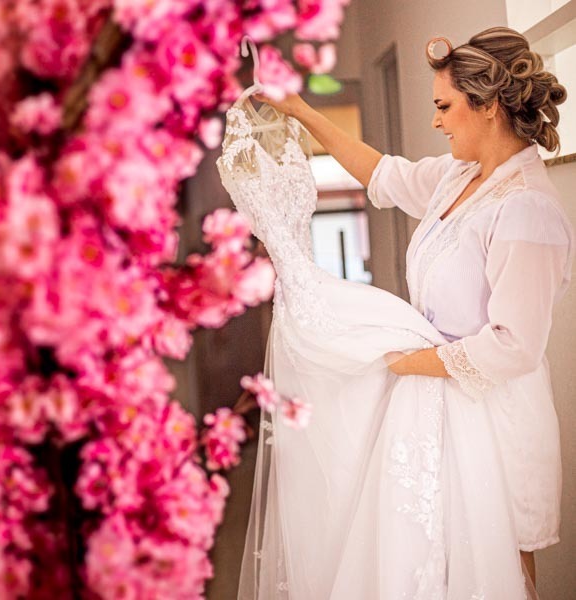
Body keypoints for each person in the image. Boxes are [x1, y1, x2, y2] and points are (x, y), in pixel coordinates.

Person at [225, 27, 572, 599]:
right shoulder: (459, 178)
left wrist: (407, 363)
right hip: (441, 410)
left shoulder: (527, 209)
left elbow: (514, 345)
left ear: (487, 107)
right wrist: (300, 110)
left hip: (497, 424)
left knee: (497, 574)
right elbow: (381, 173)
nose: (436, 122)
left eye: (444, 106)